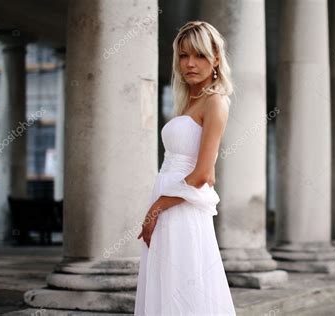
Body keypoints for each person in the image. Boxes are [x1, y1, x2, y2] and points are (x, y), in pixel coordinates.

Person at [134, 21, 236, 315]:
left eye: (200, 55)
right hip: (170, 205)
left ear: (216, 58)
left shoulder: (215, 102)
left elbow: (204, 174)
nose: (190, 63)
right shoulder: (190, 100)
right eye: (183, 55)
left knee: (185, 288)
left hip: (181, 207)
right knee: (167, 287)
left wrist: (156, 208)